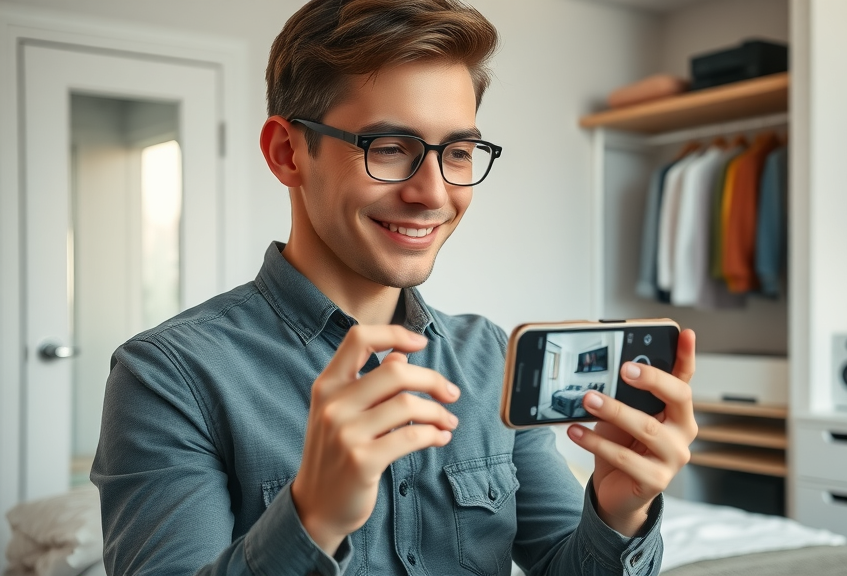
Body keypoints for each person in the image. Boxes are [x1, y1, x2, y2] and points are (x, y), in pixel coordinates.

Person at [91, 1, 699, 575]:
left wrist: (620, 510)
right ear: (287, 153)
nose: (433, 193)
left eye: (458, 152)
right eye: (387, 148)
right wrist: (311, 519)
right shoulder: (167, 377)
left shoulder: (489, 358)